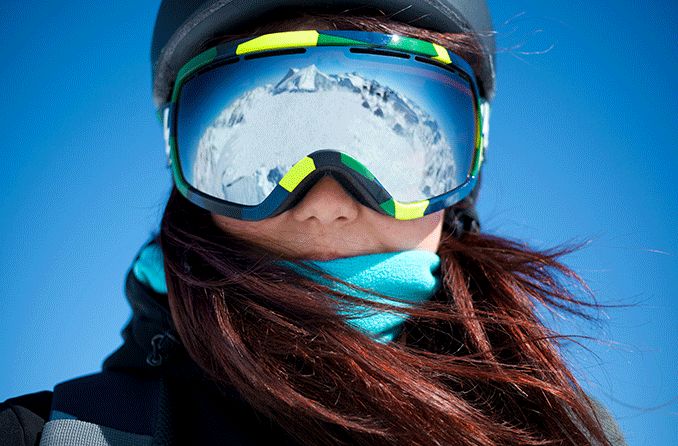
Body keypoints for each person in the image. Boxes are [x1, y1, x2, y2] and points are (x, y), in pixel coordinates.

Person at [0, 1, 629, 445]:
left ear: (465, 173)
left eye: (389, 142)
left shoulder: (566, 435)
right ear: (185, 172)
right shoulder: (52, 437)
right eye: (254, 158)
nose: (324, 202)